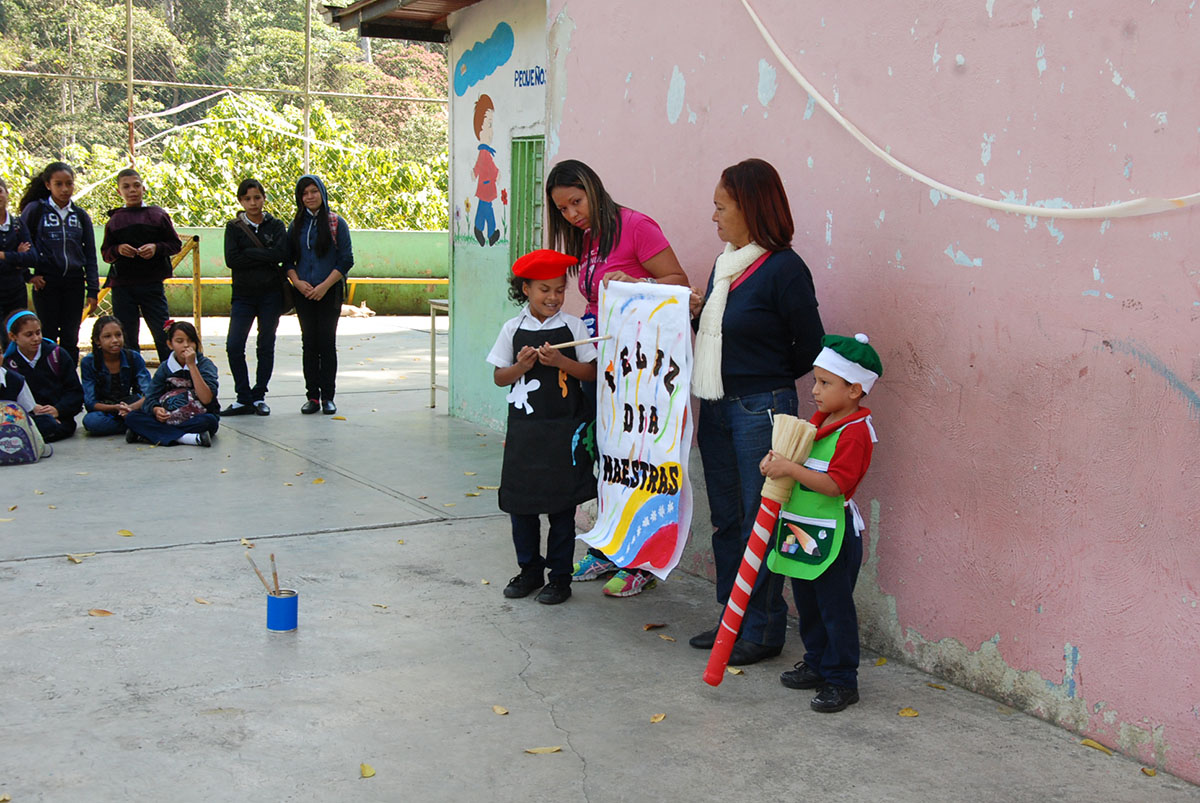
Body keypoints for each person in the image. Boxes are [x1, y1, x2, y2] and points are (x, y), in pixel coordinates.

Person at [687, 158, 825, 666]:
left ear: (750, 207)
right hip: (718, 406)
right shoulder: (726, 265)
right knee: (726, 518)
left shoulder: (785, 269)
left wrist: (766, 379)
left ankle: (763, 630)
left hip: (759, 409)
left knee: (758, 521)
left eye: (722, 207)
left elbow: (808, 346)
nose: (715, 217)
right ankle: (733, 616)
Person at [545, 158, 689, 597]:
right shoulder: (587, 237)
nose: (572, 214)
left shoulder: (637, 226)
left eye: (576, 201)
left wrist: (636, 285)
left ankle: (641, 558)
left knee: (641, 459)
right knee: (608, 457)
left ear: (593, 188)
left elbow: (678, 281)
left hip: (640, 372)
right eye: (563, 209)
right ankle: (611, 547)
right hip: (603, 367)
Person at [759, 333, 882, 713]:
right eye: (815, 380)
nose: (815, 390)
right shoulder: (820, 421)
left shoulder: (856, 432)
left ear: (855, 390)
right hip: (801, 528)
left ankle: (842, 679)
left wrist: (790, 469)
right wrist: (774, 465)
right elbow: (793, 464)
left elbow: (835, 485)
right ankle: (816, 662)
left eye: (826, 383)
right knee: (808, 604)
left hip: (833, 535)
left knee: (834, 608)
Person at [486, 249, 598, 606]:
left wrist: (562, 361)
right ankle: (529, 571)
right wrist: (520, 367)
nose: (553, 298)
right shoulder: (512, 329)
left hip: (565, 430)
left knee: (562, 507)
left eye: (560, 290)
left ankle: (560, 578)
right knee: (523, 505)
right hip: (525, 433)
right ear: (525, 289)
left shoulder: (575, 327)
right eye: (544, 290)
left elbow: (592, 373)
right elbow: (499, 377)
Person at [18, 162, 99, 363]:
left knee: (71, 336)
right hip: (46, 281)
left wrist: (93, 290)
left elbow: (89, 253)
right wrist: (29, 276)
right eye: (59, 184)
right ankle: (48, 381)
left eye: (69, 184)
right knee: (47, 334)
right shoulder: (36, 210)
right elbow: (19, 246)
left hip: (74, 281)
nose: (65, 189)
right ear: (48, 185)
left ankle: (69, 382)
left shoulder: (79, 215)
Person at [286, 175, 353, 415]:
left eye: (314, 191)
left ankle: (328, 397)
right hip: (303, 293)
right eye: (305, 193)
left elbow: (346, 259)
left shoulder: (336, 223)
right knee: (309, 344)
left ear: (322, 194)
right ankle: (312, 397)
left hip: (329, 292)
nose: (310, 197)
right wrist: (297, 282)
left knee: (327, 343)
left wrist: (324, 285)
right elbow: (287, 259)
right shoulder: (296, 225)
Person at [100, 168, 182, 361]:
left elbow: (175, 244)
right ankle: (133, 381)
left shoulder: (157, 215)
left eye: (136, 185)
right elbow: (106, 253)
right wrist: (119, 249)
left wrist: (156, 247)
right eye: (126, 187)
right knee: (126, 335)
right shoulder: (115, 220)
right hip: (123, 286)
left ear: (144, 188)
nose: (132, 191)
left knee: (163, 332)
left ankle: (171, 377)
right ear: (119, 192)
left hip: (151, 284)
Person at [223, 178, 288, 417]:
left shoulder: (276, 225)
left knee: (266, 344)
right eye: (247, 198)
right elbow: (232, 260)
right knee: (234, 345)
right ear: (241, 201)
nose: (253, 203)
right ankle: (243, 397)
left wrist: (249, 253)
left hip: (271, 295)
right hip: (243, 295)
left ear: (264, 198)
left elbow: (281, 253)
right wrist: (265, 255)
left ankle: (259, 395)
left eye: (257, 197)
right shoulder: (233, 227)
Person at [123, 321, 219, 447]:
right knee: (132, 418)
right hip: (168, 419)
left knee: (209, 421)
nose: (185, 345)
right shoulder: (165, 367)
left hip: (196, 417)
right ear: (170, 344)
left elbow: (206, 399)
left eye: (190, 341)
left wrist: (192, 366)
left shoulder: (205, 365)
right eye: (179, 341)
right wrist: (156, 409)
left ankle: (148, 434)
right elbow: (151, 397)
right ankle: (188, 438)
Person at [2, 309, 82, 442]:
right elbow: (7, 401)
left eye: (38, 333)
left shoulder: (56, 355)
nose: (36, 338)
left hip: (58, 418)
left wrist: (57, 410)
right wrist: (31, 409)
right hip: (24, 418)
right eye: (29, 335)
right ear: (13, 336)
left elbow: (75, 393)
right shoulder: (9, 363)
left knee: (51, 425)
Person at [79, 315, 151, 436]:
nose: (115, 340)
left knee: (154, 409)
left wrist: (131, 408)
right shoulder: (88, 362)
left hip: (131, 404)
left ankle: (134, 423)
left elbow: (150, 393)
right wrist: (116, 408)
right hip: (106, 409)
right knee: (91, 421)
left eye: (118, 335)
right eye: (107, 336)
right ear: (98, 341)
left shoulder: (133, 357)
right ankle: (134, 426)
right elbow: (90, 403)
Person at [0, 177, 37, 352]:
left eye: (0, 191)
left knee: (18, 334)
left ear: (7, 193)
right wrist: (16, 257)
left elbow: (31, 257)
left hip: (16, 289)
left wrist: (4, 256)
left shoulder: (17, 224)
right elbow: (21, 259)